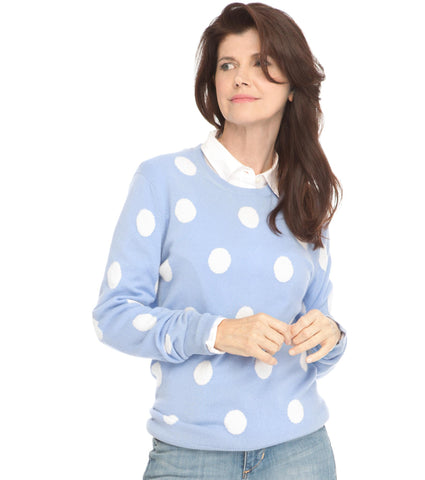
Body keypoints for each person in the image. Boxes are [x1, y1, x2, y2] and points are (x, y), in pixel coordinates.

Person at [92, 2, 347, 478]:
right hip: (191, 455)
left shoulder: (305, 193)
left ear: (293, 85)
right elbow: (114, 316)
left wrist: (330, 335)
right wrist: (217, 332)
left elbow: (317, 329)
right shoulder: (163, 180)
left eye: (261, 63)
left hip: (301, 452)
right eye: (227, 65)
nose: (240, 78)